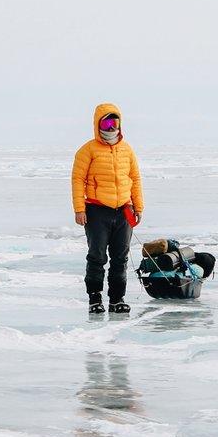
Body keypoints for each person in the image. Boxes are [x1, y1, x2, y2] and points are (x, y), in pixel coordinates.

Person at [71, 102, 143, 315]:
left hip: (123, 210)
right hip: (96, 210)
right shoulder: (87, 150)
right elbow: (78, 179)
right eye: (107, 122)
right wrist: (79, 208)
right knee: (97, 257)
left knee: (120, 257)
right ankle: (95, 299)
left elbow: (135, 178)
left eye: (115, 122)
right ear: (98, 124)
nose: (112, 127)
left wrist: (138, 206)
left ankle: (117, 299)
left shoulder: (126, 149)